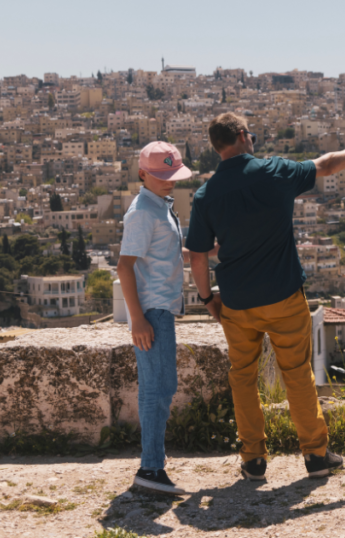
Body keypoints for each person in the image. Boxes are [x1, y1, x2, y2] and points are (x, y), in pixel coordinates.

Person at [186, 112, 345, 480]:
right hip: (283, 296)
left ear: (217, 147)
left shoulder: (205, 195)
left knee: (243, 378)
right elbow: (325, 165)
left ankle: (253, 459)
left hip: (236, 301)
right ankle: (316, 455)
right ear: (244, 136)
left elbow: (197, 255)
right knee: (297, 374)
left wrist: (206, 299)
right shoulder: (274, 172)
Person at [119, 141, 202, 494]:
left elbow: (162, 253)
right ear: (142, 174)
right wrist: (137, 319)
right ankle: (150, 470)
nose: (170, 181)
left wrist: (202, 251)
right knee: (157, 389)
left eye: (173, 175)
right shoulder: (142, 211)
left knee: (161, 387)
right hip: (152, 311)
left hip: (161, 309)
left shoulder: (161, 207)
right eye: (162, 175)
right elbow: (125, 266)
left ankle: (153, 465)